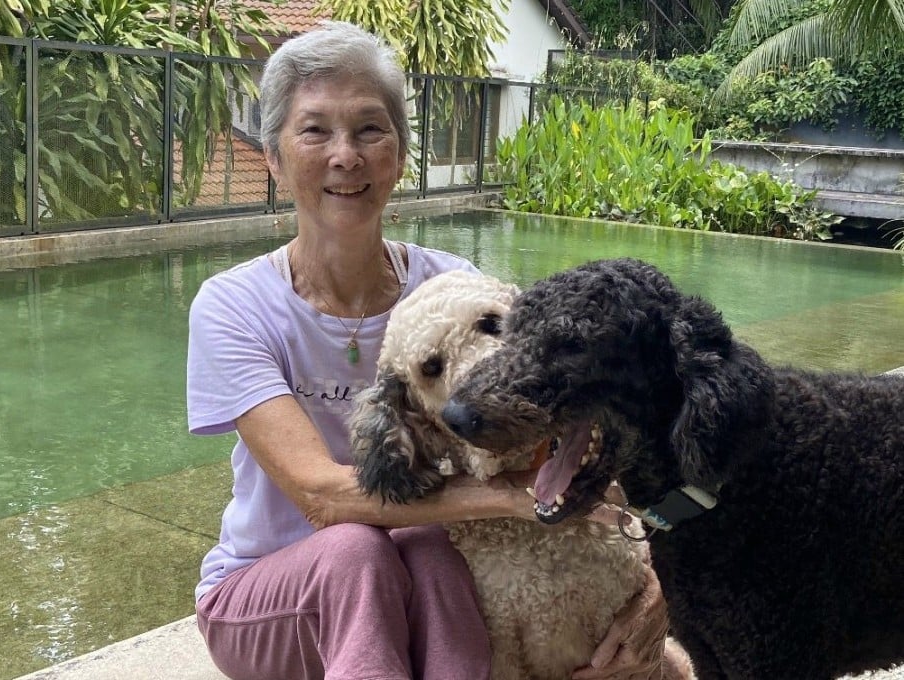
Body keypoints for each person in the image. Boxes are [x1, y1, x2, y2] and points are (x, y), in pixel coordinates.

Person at [187, 20, 672, 680]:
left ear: (399, 153)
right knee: (355, 548)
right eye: (314, 130)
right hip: (271, 593)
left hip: (423, 571)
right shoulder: (233, 305)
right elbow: (322, 497)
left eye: (368, 129)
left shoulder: (458, 292)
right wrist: (507, 500)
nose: (346, 155)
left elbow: (568, 429)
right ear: (272, 155)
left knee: (434, 551)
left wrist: (649, 585)